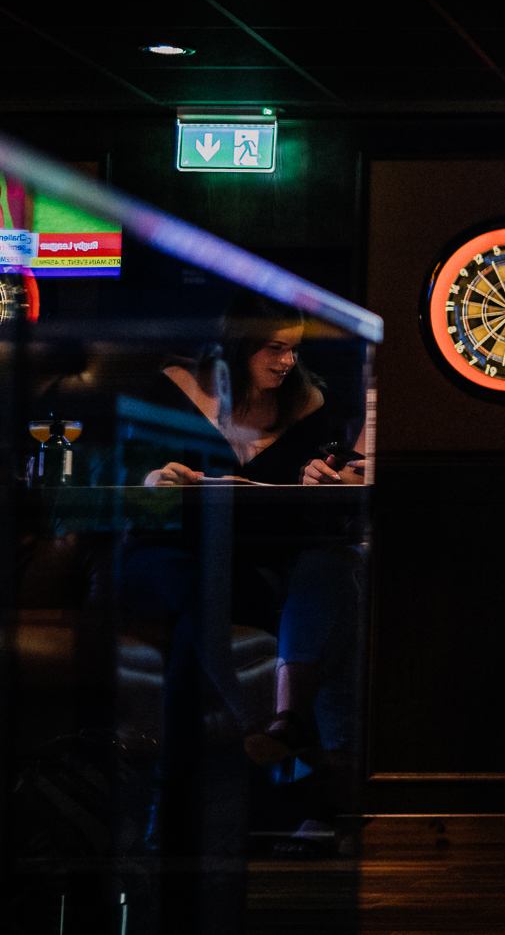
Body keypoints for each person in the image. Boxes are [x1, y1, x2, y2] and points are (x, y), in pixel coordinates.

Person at [125, 290, 368, 848]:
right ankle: (273, 735)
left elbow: (333, 484)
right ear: (239, 345)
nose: (286, 363)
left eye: (294, 351)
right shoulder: (174, 385)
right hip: (161, 554)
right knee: (198, 586)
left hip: (249, 566)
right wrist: (152, 481)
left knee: (320, 577)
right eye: (274, 350)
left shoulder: (307, 404)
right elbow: (119, 475)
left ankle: (176, 796)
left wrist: (325, 482)